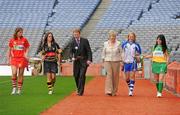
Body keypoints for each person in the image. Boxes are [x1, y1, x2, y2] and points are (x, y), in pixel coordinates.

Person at [7, 27, 30, 95]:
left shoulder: (24, 39)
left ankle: (19, 89)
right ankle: (14, 88)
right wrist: (9, 59)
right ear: (16, 32)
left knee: (20, 74)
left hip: (22, 59)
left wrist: (26, 54)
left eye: (22, 32)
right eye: (20, 32)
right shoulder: (12, 40)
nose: (21, 33)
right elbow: (10, 49)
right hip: (14, 59)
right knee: (14, 73)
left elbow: (27, 47)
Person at [70, 29, 92, 96]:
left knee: (82, 75)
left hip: (84, 61)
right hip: (76, 61)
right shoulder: (72, 42)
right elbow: (71, 51)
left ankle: (80, 91)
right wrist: (71, 57)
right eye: (74, 34)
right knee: (76, 75)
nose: (75, 35)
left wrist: (89, 59)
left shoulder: (84, 41)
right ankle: (78, 88)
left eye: (76, 34)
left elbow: (89, 51)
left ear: (79, 34)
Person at [101, 30, 123, 96]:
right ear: (109, 37)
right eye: (111, 36)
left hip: (116, 61)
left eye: (113, 36)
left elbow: (121, 52)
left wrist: (122, 60)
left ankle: (114, 91)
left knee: (115, 76)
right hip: (107, 61)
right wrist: (103, 61)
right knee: (109, 75)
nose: (112, 37)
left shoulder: (118, 43)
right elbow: (103, 53)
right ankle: (109, 90)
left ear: (115, 37)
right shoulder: (105, 43)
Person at [122, 32, 141, 96]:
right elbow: (122, 52)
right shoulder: (124, 44)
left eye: (132, 36)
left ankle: (131, 91)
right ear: (128, 37)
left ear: (134, 37)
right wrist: (122, 61)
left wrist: (137, 56)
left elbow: (139, 54)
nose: (131, 37)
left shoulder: (136, 45)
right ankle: (130, 86)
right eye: (130, 36)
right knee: (127, 78)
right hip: (126, 62)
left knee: (132, 76)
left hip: (133, 62)